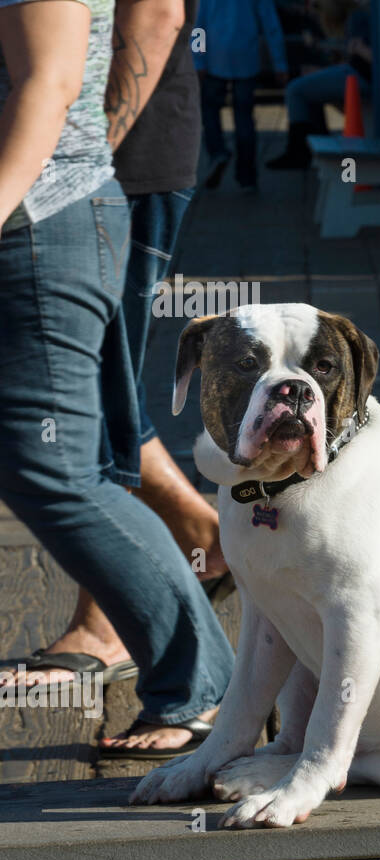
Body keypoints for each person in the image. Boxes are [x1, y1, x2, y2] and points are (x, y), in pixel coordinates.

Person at [0, 0, 233, 754]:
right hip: (46, 212)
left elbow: (50, 81)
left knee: (55, 463)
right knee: (78, 447)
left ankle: (199, 683)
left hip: (41, 216)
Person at [193, 0, 288, 192]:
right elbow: (271, 25)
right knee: (244, 118)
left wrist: (198, 60)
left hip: (214, 57)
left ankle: (218, 152)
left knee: (209, 112)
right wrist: (280, 64)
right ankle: (247, 178)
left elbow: (199, 26)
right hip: (246, 58)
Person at [265, 0, 371, 170]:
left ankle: (298, 152)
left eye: (316, 6)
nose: (312, 11)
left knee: (295, 90)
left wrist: (356, 51)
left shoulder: (357, 17)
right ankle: (318, 142)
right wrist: (322, 70)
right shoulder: (353, 17)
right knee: (307, 86)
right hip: (357, 73)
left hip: (361, 77)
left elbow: (361, 59)